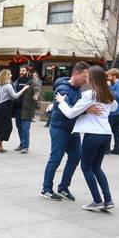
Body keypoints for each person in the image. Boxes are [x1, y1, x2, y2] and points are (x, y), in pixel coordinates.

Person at [57, 66, 118, 211]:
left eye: (88, 75)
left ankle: (97, 200)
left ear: (92, 78)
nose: (87, 77)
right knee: (97, 168)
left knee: (86, 168)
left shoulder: (89, 95)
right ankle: (108, 200)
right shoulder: (107, 94)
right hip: (106, 135)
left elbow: (71, 113)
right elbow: (114, 108)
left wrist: (61, 102)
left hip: (93, 135)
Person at [41, 62, 90, 200]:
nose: (86, 80)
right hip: (60, 128)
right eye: (85, 76)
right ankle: (46, 189)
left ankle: (63, 187)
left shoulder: (77, 89)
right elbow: (69, 110)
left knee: (75, 157)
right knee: (55, 159)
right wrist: (86, 109)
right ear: (76, 74)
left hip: (72, 129)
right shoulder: (63, 89)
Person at [0, 68, 24, 153]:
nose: (11, 75)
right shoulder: (8, 85)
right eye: (10, 74)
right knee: (8, 127)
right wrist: (23, 89)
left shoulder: (0, 85)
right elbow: (15, 96)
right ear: (6, 76)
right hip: (4, 107)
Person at [13, 67, 37, 154]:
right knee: (19, 127)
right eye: (20, 70)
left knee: (25, 129)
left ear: (27, 72)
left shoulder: (32, 82)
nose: (21, 72)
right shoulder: (17, 81)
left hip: (27, 109)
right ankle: (22, 143)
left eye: (23, 71)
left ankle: (25, 146)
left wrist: (36, 96)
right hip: (17, 108)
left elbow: (37, 90)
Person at [106, 68, 119, 154]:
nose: (108, 77)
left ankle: (106, 150)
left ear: (114, 76)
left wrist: (109, 86)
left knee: (107, 130)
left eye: (109, 75)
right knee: (115, 130)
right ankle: (117, 149)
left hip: (116, 112)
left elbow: (115, 96)